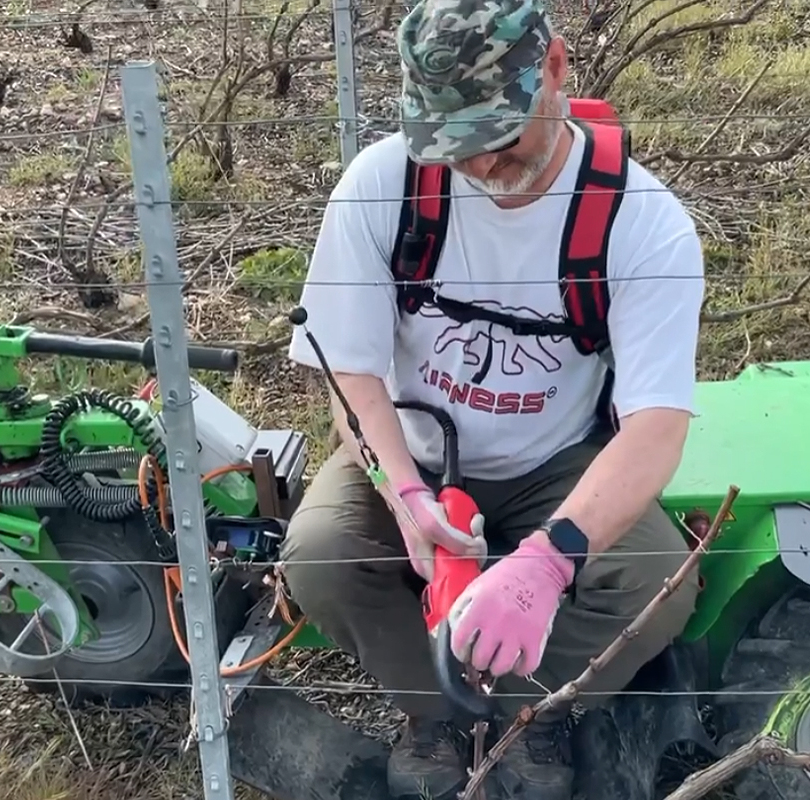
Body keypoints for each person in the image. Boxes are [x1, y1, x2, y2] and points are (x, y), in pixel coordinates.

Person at [280, 0, 706, 797]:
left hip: (559, 455)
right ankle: (435, 714)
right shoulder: (381, 188)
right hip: (414, 445)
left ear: (555, 68)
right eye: (455, 146)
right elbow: (353, 375)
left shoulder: (642, 223)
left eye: (500, 138)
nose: (480, 167)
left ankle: (525, 715)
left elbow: (654, 427)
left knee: (658, 579)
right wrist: (403, 492)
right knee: (322, 559)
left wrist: (547, 564)